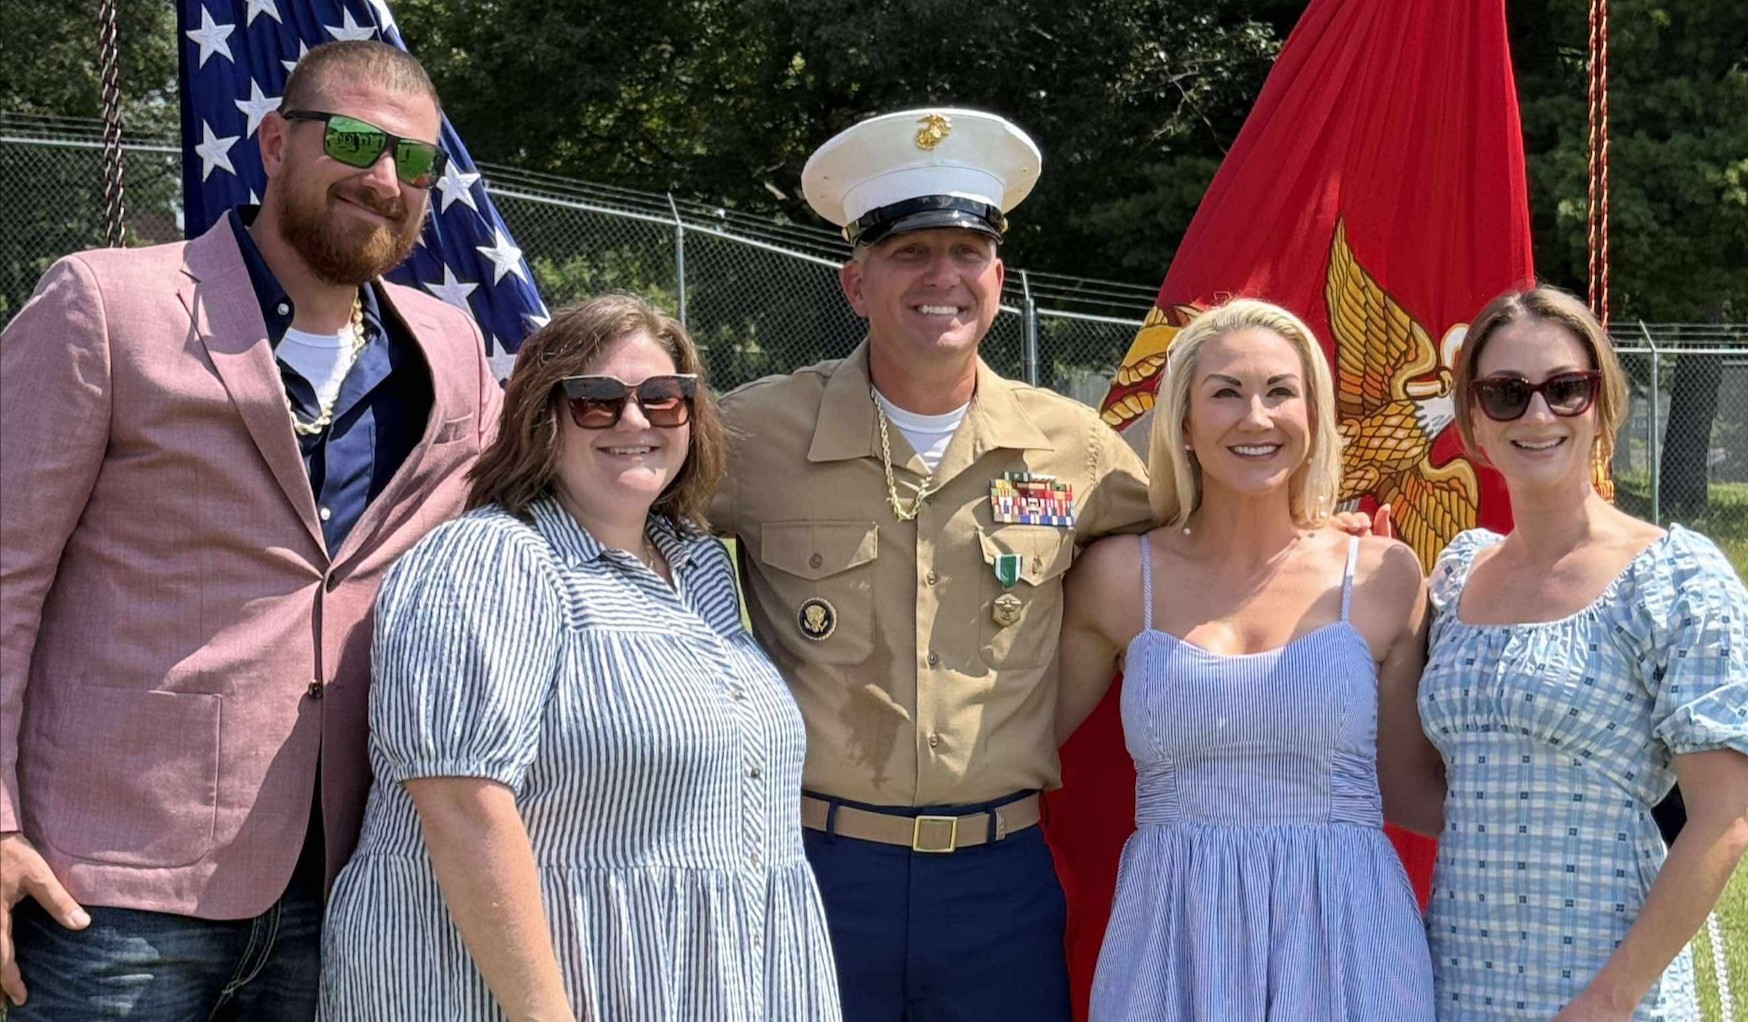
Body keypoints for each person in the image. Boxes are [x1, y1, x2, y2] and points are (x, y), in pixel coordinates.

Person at [0, 40, 498, 1020]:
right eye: (353, 140)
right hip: (110, 894)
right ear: (276, 143)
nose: (386, 178)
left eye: (417, 159)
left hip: (345, 890)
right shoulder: (108, 305)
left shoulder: (451, 352)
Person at [707, 109, 1153, 1020]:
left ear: (998, 277)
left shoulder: (1076, 449)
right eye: (911, 252)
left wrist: (1320, 534)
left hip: (1001, 882)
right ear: (856, 283)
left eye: (966, 250)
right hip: (814, 871)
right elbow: (607, 509)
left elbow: (1206, 543)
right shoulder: (752, 434)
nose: (942, 276)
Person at [319, 294, 842, 1021]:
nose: (635, 421)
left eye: (664, 400)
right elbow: (462, 806)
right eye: (597, 402)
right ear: (542, 416)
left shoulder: (699, 566)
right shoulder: (490, 560)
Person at [1058, 299, 1437, 1019]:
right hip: (1173, 937)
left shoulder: (1384, 574)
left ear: (1315, 417)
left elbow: (1411, 784)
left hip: (1348, 936)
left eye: (1281, 392)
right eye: (1225, 393)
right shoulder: (1116, 577)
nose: (1255, 418)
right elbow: (1020, 747)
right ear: (1184, 424)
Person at [1419, 286, 1748, 1021]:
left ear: (1603, 406)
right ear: (1475, 425)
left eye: (1565, 388)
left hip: (1607, 992)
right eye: (1506, 393)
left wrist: (1610, 997)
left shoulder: (1674, 579)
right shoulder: (1457, 574)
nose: (1539, 413)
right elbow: (1434, 791)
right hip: (1455, 982)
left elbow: (1724, 820)